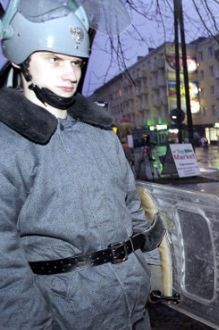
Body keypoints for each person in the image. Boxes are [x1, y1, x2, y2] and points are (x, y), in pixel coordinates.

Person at [0, 1, 164, 329]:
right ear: (21, 59)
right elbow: (5, 268)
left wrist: (145, 271)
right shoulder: (8, 143)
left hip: (133, 309)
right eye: (55, 59)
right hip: (67, 316)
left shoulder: (101, 136)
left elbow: (132, 209)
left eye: (76, 61)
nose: (71, 74)